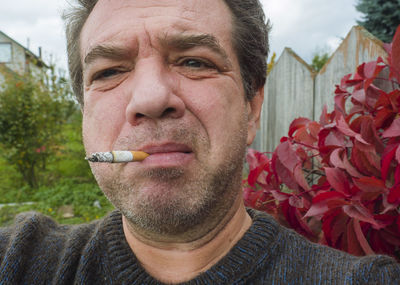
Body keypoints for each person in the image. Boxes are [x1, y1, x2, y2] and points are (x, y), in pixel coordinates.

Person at [0, 0, 399, 284]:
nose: (150, 99)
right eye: (109, 72)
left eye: (194, 61)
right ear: (85, 112)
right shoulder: (18, 261)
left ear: (252, 107)